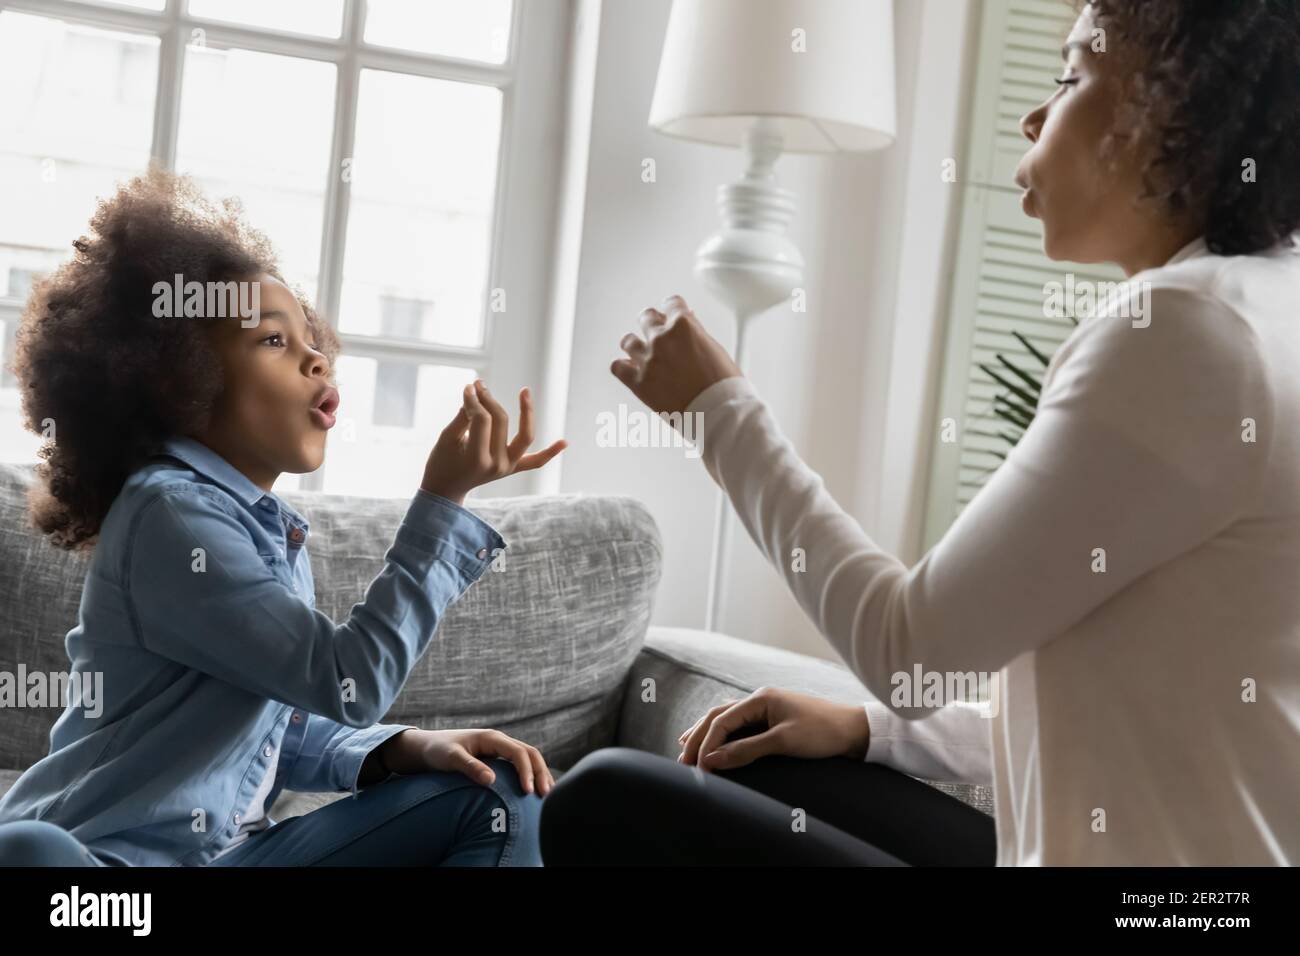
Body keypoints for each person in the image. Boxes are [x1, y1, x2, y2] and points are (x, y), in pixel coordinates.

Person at [542, 0, 1300, 865]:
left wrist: (717, 413)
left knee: (606, 802)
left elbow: (909, 654)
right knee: (762, 775)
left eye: (1071, 78)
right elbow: (1134, 717)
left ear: (1171, 109)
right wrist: (872, 733)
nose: (1032, 115)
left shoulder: (1184, 334)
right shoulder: (1268, 305)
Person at [0, 169, 565, 866]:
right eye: (273, 340)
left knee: (499, 790)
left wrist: (405, 749)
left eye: (310, 337)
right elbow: (346, 680)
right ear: (179, 377)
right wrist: (442, 505)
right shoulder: (169, 515)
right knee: (31, 855)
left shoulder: (263, 526)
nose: (314, 357)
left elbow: (265, 725)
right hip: (107, 878)